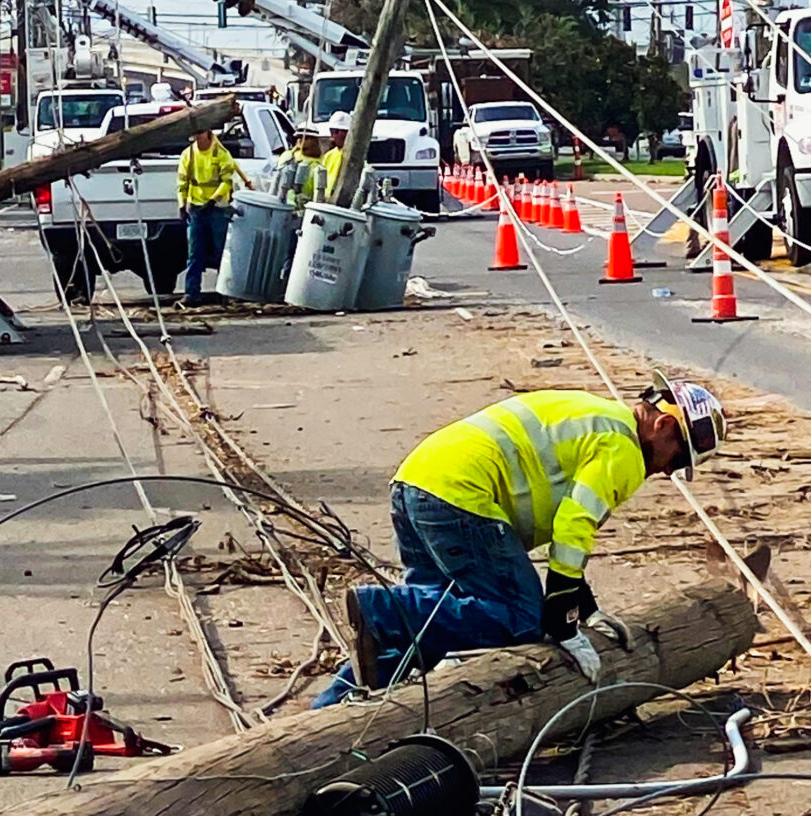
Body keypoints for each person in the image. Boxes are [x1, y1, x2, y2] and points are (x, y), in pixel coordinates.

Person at [314, 374, 728, 707]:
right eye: (677, 459)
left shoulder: (599, 415)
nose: (669, 472)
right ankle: (380, 608)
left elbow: (565, 519)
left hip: (417, 482)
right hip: (461, 495)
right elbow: (573, 527)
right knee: (520, 617)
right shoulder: (623, 450)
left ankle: (336, 707)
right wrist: (563, 620)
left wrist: (586, 606)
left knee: (430, 620)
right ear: (665, 425)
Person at [177, 127, 237, 305]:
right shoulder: (189, 154)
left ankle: (225, 292)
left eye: (200, 133)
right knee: (195, 253)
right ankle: (192, 293)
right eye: (195, 133)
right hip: (196, 209)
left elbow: (227, 181)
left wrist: (212, 200)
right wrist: (181, 205)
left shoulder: (220, 153)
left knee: (222, 252)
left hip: (216, 209)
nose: (197, 137)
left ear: (208, 133)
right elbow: (182, 183)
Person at [267, 122, 326, 207]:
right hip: (283, 203)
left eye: (306, 138)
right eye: (299, 137)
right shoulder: (288, 156)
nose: (301, 140)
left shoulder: (319, 163)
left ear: (315, 141)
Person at [320, 109, 351, 196]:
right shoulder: (328, 156)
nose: (334, 135)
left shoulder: (354, 156)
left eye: (339, 131)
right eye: (333, 131)